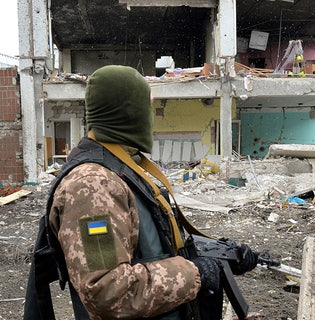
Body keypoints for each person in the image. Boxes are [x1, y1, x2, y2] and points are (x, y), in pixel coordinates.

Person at [24, 65, 259, 320]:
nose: (151, 114)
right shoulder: (93, 186)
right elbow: (107, 291)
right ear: (128, 110)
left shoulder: (122, 169)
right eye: (147, 105)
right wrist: (195, 273)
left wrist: (219, 252)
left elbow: (149, 244)